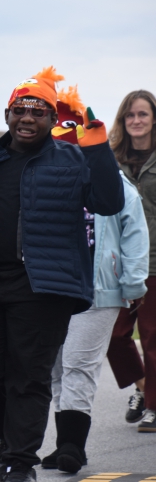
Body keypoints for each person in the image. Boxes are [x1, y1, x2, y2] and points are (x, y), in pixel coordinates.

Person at [0, 67, 124, 482]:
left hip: (44, 288)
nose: (28, 117)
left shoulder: (74, 159)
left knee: (29, 376)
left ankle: (17, 464)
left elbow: (109, 202)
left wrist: (96, 146)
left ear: (51, 116)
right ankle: (15, 439)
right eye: (20, 109)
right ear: (7, 114)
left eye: (38, 111)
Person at [42, 86, 149, 474]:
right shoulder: (48, 182)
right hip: (54, 287)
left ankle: (74, 445)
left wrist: (134, 283)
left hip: (99, 288)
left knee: (78, 364)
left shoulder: (114, 183)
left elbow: (135, 231)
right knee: (55, 367)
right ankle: (63, 441)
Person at [106, 89, 156, 432]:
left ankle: (153, 407)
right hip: (114, 265)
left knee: (153, 337)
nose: (136, 121)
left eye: (143, 114)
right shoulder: (109, 159)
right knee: (113, 335)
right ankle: (142, 388)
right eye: (130, 116)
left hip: (155, 263)